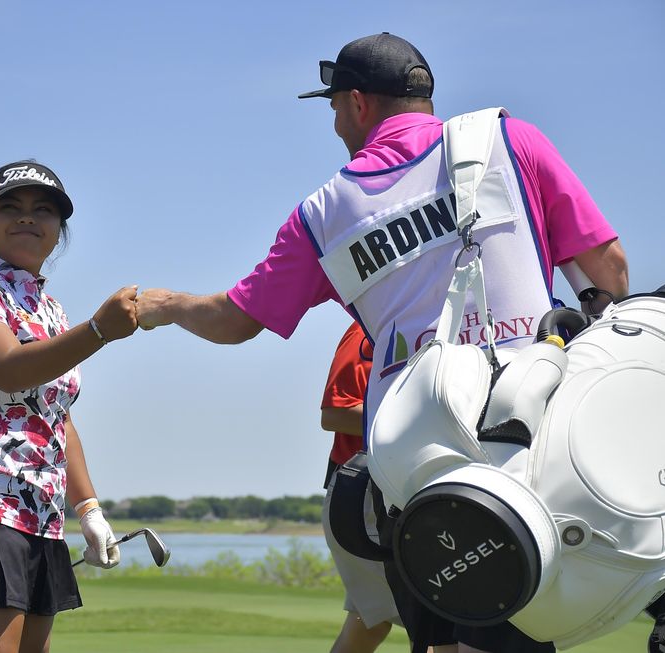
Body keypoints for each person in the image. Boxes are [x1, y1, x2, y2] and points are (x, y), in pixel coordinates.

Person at [135, 32, 629, 653]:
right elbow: (609, 270)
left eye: (334, 107)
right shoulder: (511, 139)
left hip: (413, 466)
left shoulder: (323, 212)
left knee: (443, 639)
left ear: (358, 102)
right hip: (537, 443)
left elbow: (236, 319)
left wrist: (165, 306)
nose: (336, 124)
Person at [0, 160, 139, 653]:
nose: (27, 217)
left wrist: (89, 510)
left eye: (43, 210)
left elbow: (59, 418)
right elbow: (9, 369)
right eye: (10, 207)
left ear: (59, 229)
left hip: (40, 510)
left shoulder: (50, 310)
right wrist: (99, 330)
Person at [320, 321, 401, 653]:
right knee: (434, 625)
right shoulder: (370, 329)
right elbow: (335, 413)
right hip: (366, 494)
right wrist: (418, 424)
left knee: (367, 627)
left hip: (404, 492)